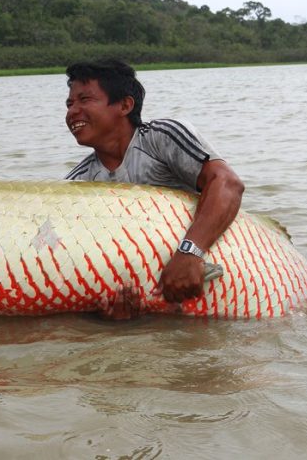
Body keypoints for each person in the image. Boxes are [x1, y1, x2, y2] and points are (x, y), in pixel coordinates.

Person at [63, 59, 244, 316]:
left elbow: (228, 184)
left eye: (84, 100)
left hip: (214, 272)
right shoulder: (77, 182)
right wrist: (105, 314)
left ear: (125, 105)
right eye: (69, 104)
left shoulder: (160, 137)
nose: (72, 112)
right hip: (157, 301)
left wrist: (190, 253)